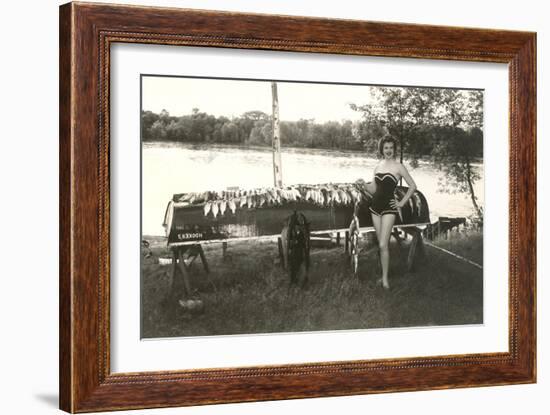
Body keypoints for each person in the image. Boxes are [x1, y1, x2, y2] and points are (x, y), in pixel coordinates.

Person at [368, 136, 417, 289]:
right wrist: (362, 185)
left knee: (383, 244)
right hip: (374, 208)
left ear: (394, 149)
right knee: (380, 245)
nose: (388, 150)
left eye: (391, 147)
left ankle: (385, 280)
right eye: (385, 148)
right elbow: (373, 189)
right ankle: (383, 277)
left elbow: (412, 186)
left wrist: (401, 203)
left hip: (389, 208)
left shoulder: (399, 167)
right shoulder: (377, 166)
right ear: (382, 150)